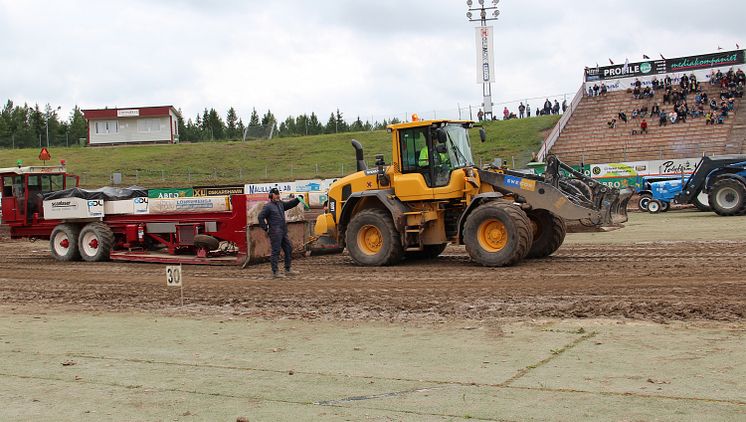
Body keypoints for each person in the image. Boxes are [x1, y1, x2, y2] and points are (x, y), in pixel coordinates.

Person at [258, 188, 302, 278]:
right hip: (275, 232)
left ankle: (288, 269)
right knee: (276, 251)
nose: (278, 195)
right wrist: (266, 228)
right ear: (271, 195)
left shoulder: (280, 204)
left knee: (288, 249)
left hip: (282, 231)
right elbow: (260, 217)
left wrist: (298, 200)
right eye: (276, 194)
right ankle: (275, 272)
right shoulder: (268, 206)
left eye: (278, 194)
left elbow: (289, 205)